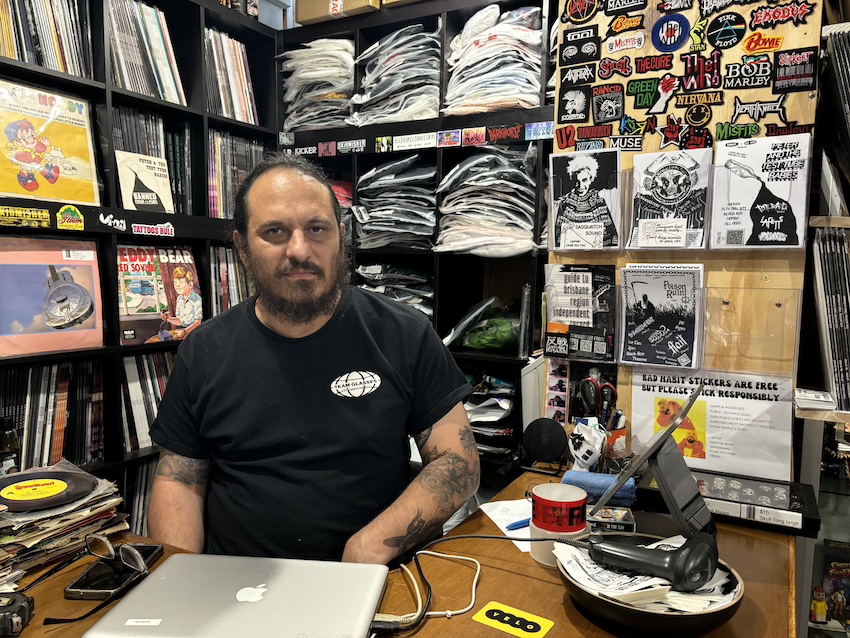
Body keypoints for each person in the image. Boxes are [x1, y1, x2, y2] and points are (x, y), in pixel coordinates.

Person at [147, 153, 480, 565]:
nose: (300, 250)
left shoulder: (404, 334)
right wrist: (176, 583)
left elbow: (458, 461)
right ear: (241, 247)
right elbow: (179, 479)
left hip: (373, 581)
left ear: (340, 236)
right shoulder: (204, 351)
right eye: (274, 231)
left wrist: (367, 550)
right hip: (235, 588)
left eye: (317, 229)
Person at [554, 155, 618, 248]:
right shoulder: (565, 204)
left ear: (591, 179)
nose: (580, 186)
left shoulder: (599, 202)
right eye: (577, 181)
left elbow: (612, 235)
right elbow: (558, 237)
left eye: (584, 180)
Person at [160, 267, 202, 338]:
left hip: (196, 334)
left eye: (180, 282)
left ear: (190, 285)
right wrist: (168, 319)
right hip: (183, 333)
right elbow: (180, 321)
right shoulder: (179, 299)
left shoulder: (197, 300)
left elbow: (197, 323)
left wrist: (184, 331)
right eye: (175, 282)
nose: (177, 285)